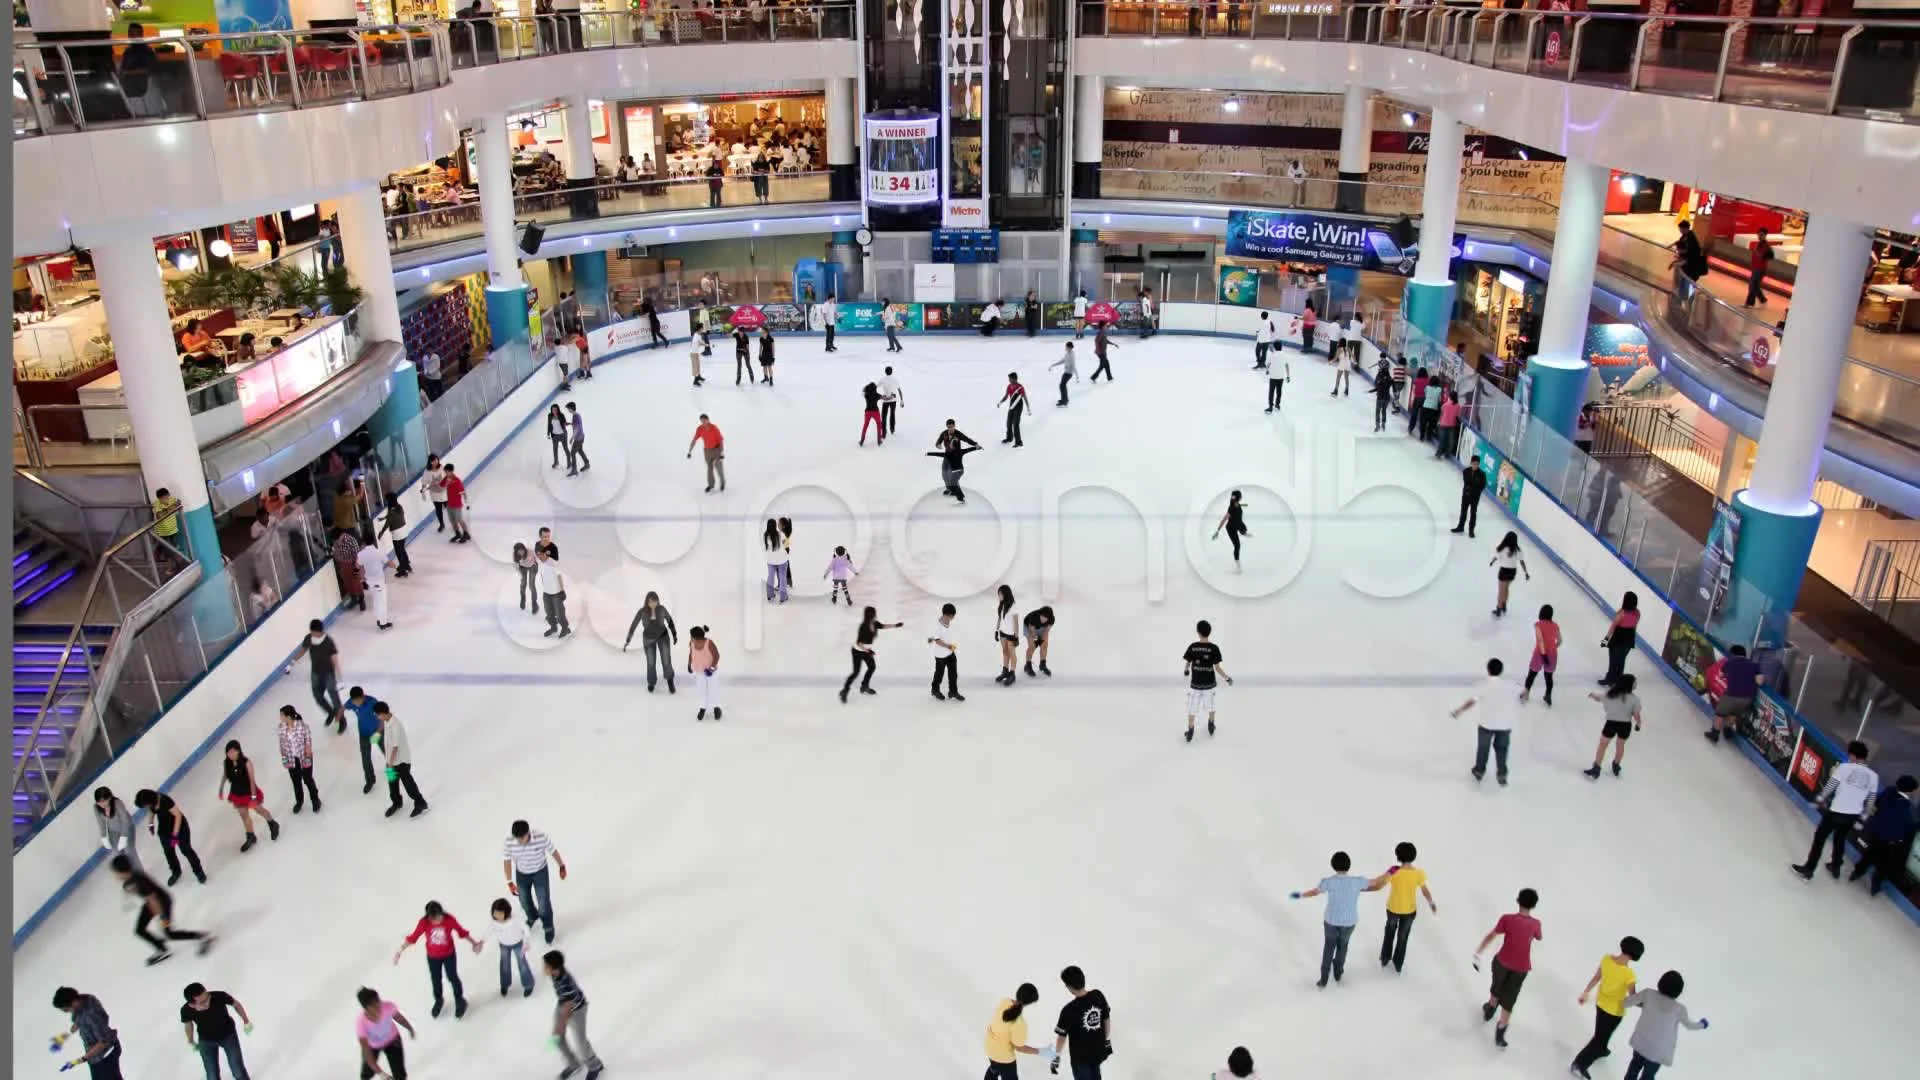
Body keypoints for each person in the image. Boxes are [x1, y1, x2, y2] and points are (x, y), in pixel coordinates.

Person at [1289, 851, 1381, 988]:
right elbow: (1376, 882)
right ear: (1348, 865)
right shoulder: (1358, 882)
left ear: (1333, 866)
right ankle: (1338, 973)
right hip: (1349, 922)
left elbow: (1314, 892)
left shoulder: (1328, 882)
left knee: (1328, 948)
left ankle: (1323, 980)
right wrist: (1390, 873)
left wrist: (1300, 895)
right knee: (1343, 946)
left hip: (1331, 921)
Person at [1791, 739, 1879, 881]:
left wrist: (1821, 798)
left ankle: (1808, 869)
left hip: (1836, 812)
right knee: (1840, 839)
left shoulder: (1844, 768)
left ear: (1853, 756)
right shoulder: (1874, 777)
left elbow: (1831, 785)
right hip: (1852, 816)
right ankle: (1836, 865)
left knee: (1819, 839)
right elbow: (1871, 800)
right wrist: (1863, 817)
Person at [1471, 888, 1542, 1050]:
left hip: (1502, 961)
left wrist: (1478, 952)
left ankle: (1490, 1008)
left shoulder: (1507, 919)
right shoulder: (1536, 924)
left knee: (1497, 985)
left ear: (1518, 901)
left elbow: (1491, 935)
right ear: (1534, 905)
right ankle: (1501, 1030)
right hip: (1521, 967)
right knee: (1510, 997)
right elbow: (1538, 937)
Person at [112, 854, 212, 964]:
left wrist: (163, 918)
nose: (115, 875)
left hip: (162, 904)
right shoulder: (130, 880)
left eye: (116, 872)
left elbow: (153, 899)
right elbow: (137, 892)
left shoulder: (139, 881)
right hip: (151, 903)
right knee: (140, 930)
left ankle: (203, 937)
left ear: (123, 872)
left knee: (169, 933)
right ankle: (162, 949)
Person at [1571, 936, 1646, 1078]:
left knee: (1601, 1032)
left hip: (1601, 1004)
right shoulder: (1629, 974)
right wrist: (1645, 1004)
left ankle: (1602, 1049)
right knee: (1599, 1038)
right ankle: (1580, 1063)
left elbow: (1596, 977)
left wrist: (1586, 992)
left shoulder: (1606, 959)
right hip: (1615, 1012)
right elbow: (1633, 997)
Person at [395, 900, 476, 1019]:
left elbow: (462, 932)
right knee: (436, 979)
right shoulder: (424, 923)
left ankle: (460, 1000)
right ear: (429, 918)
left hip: (449, 955)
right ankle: (438, 1000)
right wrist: (399, 951)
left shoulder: (449, 919)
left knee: (452, 977)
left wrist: (474, 943)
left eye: (439, 917)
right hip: (433, 957)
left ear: (442, 913)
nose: (437, 921)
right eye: (434, 919)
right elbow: (413, 938)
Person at [1622, 971, 1708, 1079]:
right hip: (1658, 1051)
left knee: (1634, 1067)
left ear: (1661, 982)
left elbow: (1626, 1002)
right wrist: (1702, 1024)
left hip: (1641, 1042)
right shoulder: (1679, 1009)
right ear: (1679, 991)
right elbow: (1689, 1025)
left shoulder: (1648, 994)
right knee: (1648, 1075)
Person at [1368, 841, 1436, 973]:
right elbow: (1425, 890)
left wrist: (1366, 886)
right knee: (1403, 937)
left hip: (1393, 908)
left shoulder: (1394, 871)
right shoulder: (1418, 873)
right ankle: (1398, 964)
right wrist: (1431, 902)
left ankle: (1385, 958)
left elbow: (1380, 882)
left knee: (1389, 932)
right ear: (1413, 856)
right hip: (1409, 911)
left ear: (1398, 856)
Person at [1851, 774, 1919, 895]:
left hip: (1877, 833)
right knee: (1884, 864)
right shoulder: (1904, 807)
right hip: (1889, 841)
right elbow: (1909, 825)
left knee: (1868, 855)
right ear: (1910, 791)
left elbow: (1878, 803)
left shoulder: (1889, 791)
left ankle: (1857, 872)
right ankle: (1875, 883)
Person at [1453, 658, 1517, 786]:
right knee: (1502, 749)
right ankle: (1502, 773)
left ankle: (1479, 770)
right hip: (1504, 725)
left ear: (1488, 670)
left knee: (1483, 748)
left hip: (1487, 724)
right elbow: (1523, 692)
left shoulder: (1482, 686)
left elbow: (1471, 702)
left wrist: (1459, 711)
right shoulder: (1510, 685)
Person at [503, 819, 568, 945]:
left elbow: (553, 851)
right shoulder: (509, 842)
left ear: (529, 833)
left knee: (543, 901)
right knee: (524, 900)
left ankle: (548, 925)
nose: (520, 841)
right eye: (518, 838)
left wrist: (562, 866)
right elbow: (506, 861)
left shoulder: (540, 837)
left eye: (523, 837)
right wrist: (509, 881)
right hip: (522, 874)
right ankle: (532, 916)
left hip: (540, 872)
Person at [545, 951, 604, 1080]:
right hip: (563, 1004)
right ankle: (573, 1064)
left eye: (546, 966)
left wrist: (560, 1027)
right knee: (557, 1039)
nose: (544, 968)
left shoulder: (567, 983)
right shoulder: (555, 973)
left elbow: (568, 1009)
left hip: (577, 1010)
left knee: (581, 1043)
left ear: (554, 967)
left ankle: (595, 1065)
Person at [133, 788, 206, 886]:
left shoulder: (165, 800)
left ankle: (198, 871)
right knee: (169, 852)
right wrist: (151, 823)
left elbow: (178, 815)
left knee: (186, 850)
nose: (146, 807)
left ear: (149, 800)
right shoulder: (152, 803)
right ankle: (176, 872)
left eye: (145, 804)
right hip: (164, 830)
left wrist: (175, 835)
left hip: (179, 828)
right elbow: (151, 811)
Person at [180, 982, 253, 1080]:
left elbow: (236, 1004)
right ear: (192, 1005)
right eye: (202, 1002)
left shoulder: (219, 996)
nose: (207, 1002)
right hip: (206, 1041)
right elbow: (188, 1024)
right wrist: (191, 1040)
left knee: (237, 1069)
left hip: (228, 1036)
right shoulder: (186, 1010)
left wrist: (246, 1021)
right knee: (212, 1074)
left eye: (207, 997)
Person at [1051, 965, 1112, 1079]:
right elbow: (1106, 1019)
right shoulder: (1098, 995)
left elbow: (1061, 1038)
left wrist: (1057, 1056)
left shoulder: (1068, 1010)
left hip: (1080, 1060)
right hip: (1098, 1052)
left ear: (1069, 987)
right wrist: (1107, 1040)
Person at [52, 986, 125, 1079]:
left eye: (66, 1009)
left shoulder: (91, 1014)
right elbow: (79, 1019)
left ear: (73, 1002)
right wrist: (71, 1030)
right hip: (95, 1056)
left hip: (106, 1055)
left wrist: (79, 1060)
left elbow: (103, 1042)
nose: (66, 1012)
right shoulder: (84, 999)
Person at [1182, 619, 1233, 743]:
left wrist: (1186, 671)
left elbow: (1188, 662)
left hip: (1196, 684)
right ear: (1209, 632)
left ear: (1198, 632)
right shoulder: (1214, 648)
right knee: (1211, 705)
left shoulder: (1193, 647)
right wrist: (1227, 678)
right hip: (1209, 684)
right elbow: (1217, 668)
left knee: (1192, 707)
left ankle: (1190, 729)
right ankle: (1211, 723)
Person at [1584, 675, 1644, 780]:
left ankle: (1596, 767)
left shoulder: (1610, 694)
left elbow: (1599, 698)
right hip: (1625, 725)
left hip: (1611, 724)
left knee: (1603, 745)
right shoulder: (1634, 699)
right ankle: (1616, 764)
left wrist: (1592, 695)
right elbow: (1636, 715)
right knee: (1620, 745)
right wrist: (1638, 725)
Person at [376, 702, 429, 818]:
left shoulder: (396, 726)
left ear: (383, 713)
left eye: (378, 715)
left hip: (401, 762)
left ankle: (420, 803)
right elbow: (382, 725)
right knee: (392, 783)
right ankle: (396, 803)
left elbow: (395, 747)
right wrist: (378, 733)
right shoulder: (386, 721)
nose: (377, 717)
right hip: (390, 761)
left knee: (408, 783)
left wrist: (390, 763)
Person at [840, 606, 902, 703]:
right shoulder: (863, 626)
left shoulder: (875, 623)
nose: (875, 615)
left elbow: (883, 626)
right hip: (857, 650)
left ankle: (864, 686)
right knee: (856, 672)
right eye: (874, 613)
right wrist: (868, 651)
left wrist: (895, 625)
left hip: (866, 650)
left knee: (872, 667)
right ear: (870, 615)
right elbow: (858, 643)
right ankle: (845, 690)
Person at [984, 983, 1047, 1078]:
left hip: (989, 1048)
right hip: (1004, 1058)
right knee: (1001, 1069)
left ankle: (993, 1070)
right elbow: (1019, 1047)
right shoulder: (1020, 1023)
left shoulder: (1004, 1002)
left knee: (994, 1068)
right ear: (1030, 1003)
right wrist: (1041, 1051)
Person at [1704, 644, 1764, 743]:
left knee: (1720, 713)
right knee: (1734, 713)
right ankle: (1728, 730)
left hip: (1732, 695)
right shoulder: (1754, 665)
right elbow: (1759, 681)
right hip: (1747, 698)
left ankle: (1715, 733)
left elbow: (1722, 674)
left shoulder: (1730, 662)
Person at [622, 591, 679, 693]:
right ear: (647, 602)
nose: (653, 603)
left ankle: (670, 681)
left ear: (657, 601)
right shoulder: (642, 611)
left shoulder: (661, 609)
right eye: (651, 601)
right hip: (649, 639)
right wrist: (628, 640)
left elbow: (669, 620)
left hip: (663, 637)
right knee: (651, 662)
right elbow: (633, 625)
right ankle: (651, 682)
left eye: (655, 601)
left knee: (666, 660)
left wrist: (674, 634)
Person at [354, 988, 415, 1080]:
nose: (379, 1006)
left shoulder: (388, 1006)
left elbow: (399, 1018)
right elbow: (366, 1051)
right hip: (373, 1046)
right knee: (366, 1075)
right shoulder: (361, 1023)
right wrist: (381, 1073)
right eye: (374, 1006)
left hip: (393, 1041)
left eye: (378, 1001)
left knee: (400, 1075)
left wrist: (410, 1028)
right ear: (367, 1008)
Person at [276, 705, 321, 815]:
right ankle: (299, 801)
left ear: (288, 716)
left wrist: (307, 759)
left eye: (281, 715)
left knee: (307, 779)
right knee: (295, 781)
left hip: (304, 757)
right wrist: (284, 759)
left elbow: (308, 744)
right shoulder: (281, 728)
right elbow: (282, 745)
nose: (280, 717)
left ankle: (315, 800)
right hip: (292, 759)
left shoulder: (302, 727)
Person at [488, 897, 536, 998]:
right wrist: (481, 942)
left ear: (506, 912)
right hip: (504, 945)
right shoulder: (494, 922)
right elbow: (488, 931)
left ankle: (528, 984)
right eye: (495, 913)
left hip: (518, 944)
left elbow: (526, 929)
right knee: (504, 964)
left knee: (522, 964)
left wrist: (526, 941)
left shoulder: (515, 920)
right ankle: (505, 984)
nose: (497, 916)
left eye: (500, 914)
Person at [93, 786, 143, 874]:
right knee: (117, 853)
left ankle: (140, 874)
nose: (103, 804)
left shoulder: (117, 803)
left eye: (105, 800)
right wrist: (104, 837)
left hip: (127, 828)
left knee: (129, 851)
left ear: (110, 797)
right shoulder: (96, 808)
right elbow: (100, 822)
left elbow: (125, 820)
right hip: (113, 831)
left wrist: (124, 836)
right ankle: (127, 874)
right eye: (100, 802)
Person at [931, 419, 982, 503]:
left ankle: (958, 495)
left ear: (954, 426)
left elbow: (966, 439)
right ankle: (950, 489)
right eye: (949, 427)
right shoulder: (944, 433)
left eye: (952, 427)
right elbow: (938, 442)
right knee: (944, 474)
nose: (950, 429)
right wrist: (938, 445)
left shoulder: (958, 434)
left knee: (953, 477)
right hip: (947, 456)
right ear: (947, 427)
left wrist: (975, 444)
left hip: (956, 457)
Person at [345, 686, 383, 794]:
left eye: (358, 700)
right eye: (354, 701)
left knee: (388, 754)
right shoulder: (351, 702)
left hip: (378, 731)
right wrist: (338, 718)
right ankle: (370, 780)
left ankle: (394, 775)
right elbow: (343, 708)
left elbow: (382, 718)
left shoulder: (373, 702)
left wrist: (378, 733)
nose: (356, 703)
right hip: (364, 734)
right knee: (365, 758)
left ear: (363, 697)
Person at [1520, 604, 1560, 706]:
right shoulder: (1555, 626)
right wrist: (1553, 647)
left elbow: (1540, 640)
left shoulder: (1538, 624)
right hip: (1553, 654)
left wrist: (1543, 654)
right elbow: (1559, 640)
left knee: (1532, 674)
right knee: (1549, 676)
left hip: (1540, 654)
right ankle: (1548, 695)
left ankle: (1526, 693)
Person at [1599, 591, 1641, 686]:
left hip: (1618, 638)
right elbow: (1634, 626)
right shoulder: (1637, 613)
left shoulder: (1621, 614)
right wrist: (1632, 639)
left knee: (1613, 660)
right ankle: (1617, 679)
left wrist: (1605, 640)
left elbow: (1612, 627)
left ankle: (1610, 679)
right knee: (1621, 661)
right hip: (1629, 638)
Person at [356, 541, 396, 632]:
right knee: (382, 601)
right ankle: (383, 623)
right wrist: (395, 566)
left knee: (376, 600)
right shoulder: (379, 552)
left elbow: (357, 566)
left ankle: (378, 619)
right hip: (379, 581)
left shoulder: (361, 554)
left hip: (369, 581)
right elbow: (389, 563)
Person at [928, 602, 964, 701]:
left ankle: (953, 691)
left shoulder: (947, 621)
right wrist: (948, 646)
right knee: (939, 673)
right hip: (940, 655)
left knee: (953, 673)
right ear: (945, 615)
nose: (952, 618)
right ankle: (935, 690)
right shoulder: (938, 625)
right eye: (951, 616)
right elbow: (937, 640)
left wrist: (950, 648)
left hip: (950, 653)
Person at [1489, 531, 1530, 617]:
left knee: (1501, 591)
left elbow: (1496, 557)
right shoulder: (1517, 550)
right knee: (1506, 588)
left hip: (1504, 572)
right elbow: (1522, 562)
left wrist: (1492, 562)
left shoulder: (1502, 548)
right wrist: (1526, 572)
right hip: (1512, 572)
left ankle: (1498, 609)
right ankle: (1504, 604)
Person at [688, 625, 722, 721]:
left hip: (711, 671)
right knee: (701, 690)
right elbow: (691, 653)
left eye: (692, 637)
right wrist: (689, 664)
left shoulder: (709, 643)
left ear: (697, 637)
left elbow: (716, 656)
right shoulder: (692, 643)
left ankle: (716, 707)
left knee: (713, 689)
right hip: (700, 671)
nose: (691, 638)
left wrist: (711, 668)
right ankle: (702, 707)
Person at [536, 545, 570, 638]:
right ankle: (553, 628)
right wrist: (544, 587)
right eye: (538, 555)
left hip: (556, 594)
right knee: (549, 613)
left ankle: (565, 628)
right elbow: (543, 576)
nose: (540, 556)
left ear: (546, 553)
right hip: (546, 593)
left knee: (559, 614)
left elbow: (559, 576)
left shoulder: (552, 563)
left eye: (542, 554)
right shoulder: (540, 563)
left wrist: (562, 591)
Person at [687, 413, 726, 493]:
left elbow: (721, 440)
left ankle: (722, 483)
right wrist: (689, 451)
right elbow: (694, 440)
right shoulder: (700, 429)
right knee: (709, 468)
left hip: (716, 450)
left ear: (708, 420)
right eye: (702, 421)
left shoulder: (714, 428)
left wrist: (722, 452)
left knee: (718, 468)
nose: (703, 422)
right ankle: (711, 485)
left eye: (705, 420)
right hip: (707, 451)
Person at [1452, 455, 1488, 538]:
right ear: (1471, 463)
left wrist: (1475, 490)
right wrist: (1472, 488)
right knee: (1463, 511)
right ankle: (1460, 527)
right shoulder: (1466, 471)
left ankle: (1471, 531)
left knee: (1473, 513)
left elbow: (1482, 486)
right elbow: (1467, 482)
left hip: (1475, 497)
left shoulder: (1482, 474)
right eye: (1474, 463)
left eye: (1477, 464)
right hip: (1466, 495)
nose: (1475, 465)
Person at [992, 584, 1021, 686]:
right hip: (1002, 632)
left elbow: (1016, 622)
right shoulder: (1001, 604)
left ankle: (1012, 674)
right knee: (1005, 651)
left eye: (1000, 594)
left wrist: (1016, 637)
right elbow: (1000, 618)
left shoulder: (1013, 605)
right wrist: (996, 630)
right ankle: (1005, 671)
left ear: (1005, 594)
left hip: (1011, 634)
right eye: (998, 594)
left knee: (1012, 653)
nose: (999, 596)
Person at [1214, 490, 1250, 567]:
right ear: (1238, 497)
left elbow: (1238, 504)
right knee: (1237, 545)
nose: (1241, 497)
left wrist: (1245, 505)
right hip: (1231, 528)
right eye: (1240, 496)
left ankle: (1243, 533)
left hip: (1238, 523)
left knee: (1244, 529)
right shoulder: (1231, 507)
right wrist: (1218, 530)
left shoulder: (1237, 504)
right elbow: (1224, 518)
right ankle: (1237, 562)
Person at [762, 518, 790, 604]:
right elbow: (787, 545)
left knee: (770, 576)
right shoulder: (781, 534)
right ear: (775, 525)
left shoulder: (765, 535)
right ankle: (783, 597)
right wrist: (786, 552)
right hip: (781, 560)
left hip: (770, 560)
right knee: (782, 578)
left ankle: (770, 595)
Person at [440, 464, 471, 543]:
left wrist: (467, 503)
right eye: (445, 472)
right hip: (449, 504)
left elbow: (463, 492)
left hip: (457, 505)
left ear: (451, 471)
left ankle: (466, 533)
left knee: (459, 519)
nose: (446, 473)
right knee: (452, 520)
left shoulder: (457, 481)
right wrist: (446, 482)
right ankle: (457, 533)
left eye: (447, 472)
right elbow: (441, 485)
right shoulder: (446, 478)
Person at [998, 371, 1029, 447]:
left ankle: (1019, 442)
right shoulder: (1009, 386)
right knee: (1008, 423)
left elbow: (1024, 397)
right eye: (1009, 379)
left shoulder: (1020, 387)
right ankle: (1009, 438)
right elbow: (1006, 396)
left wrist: (1028, 408)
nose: (1009, 380)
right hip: (1011, 406)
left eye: (1010, 379)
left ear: (1015, 379)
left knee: (1015, 424)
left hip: (1018, 407)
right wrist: (1000, 402)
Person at [1022, 606, 1054, 678]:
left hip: (1042, 627)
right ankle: (1028, 665)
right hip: (1029, 626)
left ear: (1049, 618)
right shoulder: (1034, 617)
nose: (1043, 619)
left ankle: (1042, 665)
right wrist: (1035, 642)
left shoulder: (1052, 619)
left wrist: (1041, 641)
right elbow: (1032, 633)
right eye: (1042, 616)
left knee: (1044, 645)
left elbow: (1046, 631)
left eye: (1045, 618)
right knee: (1032, 647)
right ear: (1040, 614)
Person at [1745, 229, 1774, 306]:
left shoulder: (1766, 246)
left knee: (1752, 285)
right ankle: (1762, 299)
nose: (1759, 236)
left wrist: (1762, 256)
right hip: (1756, 268)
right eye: (1758, 234)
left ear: (1765, 235)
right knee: (1755, 285)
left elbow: (1770, 256)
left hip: (1760, 269)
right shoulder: (1759, 244)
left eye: (1761, 234)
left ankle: (1749, 303)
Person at [564, 402, 590, 476]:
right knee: (580, 450)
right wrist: (569, 423)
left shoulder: (576, 417)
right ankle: (587, 464)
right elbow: (576, 425)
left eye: (568, 409)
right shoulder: (575, 415)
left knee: (572, 453)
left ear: (571, 408)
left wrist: (572, 438)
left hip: (578, 438)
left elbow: (577, 428)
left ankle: (574, 470)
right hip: (581, 437)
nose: (568, 410)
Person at [859, 380, 886, 446]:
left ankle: (862, 441)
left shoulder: (866, 395)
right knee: (879, 425)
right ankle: (879, 441)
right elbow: (885, 398)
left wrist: (866, 388)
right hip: (875, 412)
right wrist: (891, 396)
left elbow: (863, 390)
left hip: (867, 412)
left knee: (865, 426)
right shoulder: (877, 395)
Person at [878, 365, 904, 433]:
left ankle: (884, 430)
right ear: (891, 372)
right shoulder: (895, 379)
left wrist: (879, 396)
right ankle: (892, 429)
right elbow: (899, 390)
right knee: (892, 414)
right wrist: (902, 400)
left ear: (885, 372)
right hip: (893, 400)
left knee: (884, 416)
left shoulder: (882, 379)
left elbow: (876, 387)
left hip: (886, 400)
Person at [545, 404, 568, 469]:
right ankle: (556, 462)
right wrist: (548, 433)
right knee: (555, 449)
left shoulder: (561, 415)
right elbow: (549, 425)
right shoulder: (550, 416)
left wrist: (566, 424)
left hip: (562, 435)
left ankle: (569, 462)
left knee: (565, 449)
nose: (554, 411)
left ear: (558, 409)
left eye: (555, 409)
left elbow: (564, 423)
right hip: (554, 435)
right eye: (553, 409)